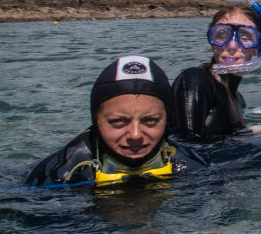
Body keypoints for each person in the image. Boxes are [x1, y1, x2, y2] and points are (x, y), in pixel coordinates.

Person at [24, 55, 207, 187]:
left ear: (167, 120)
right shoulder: (60, 173)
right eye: (118, 122)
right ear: (96, 121)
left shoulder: (192, 164)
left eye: (150, 120)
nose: (135, 135)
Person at [170, 2, 261, 139]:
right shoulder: (195, 80)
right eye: (222, 35)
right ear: (211, 40)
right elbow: (187, 144)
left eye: (245, 37)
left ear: (258, 47)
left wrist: (247, 132)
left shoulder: (238, 99)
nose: (232, 46)